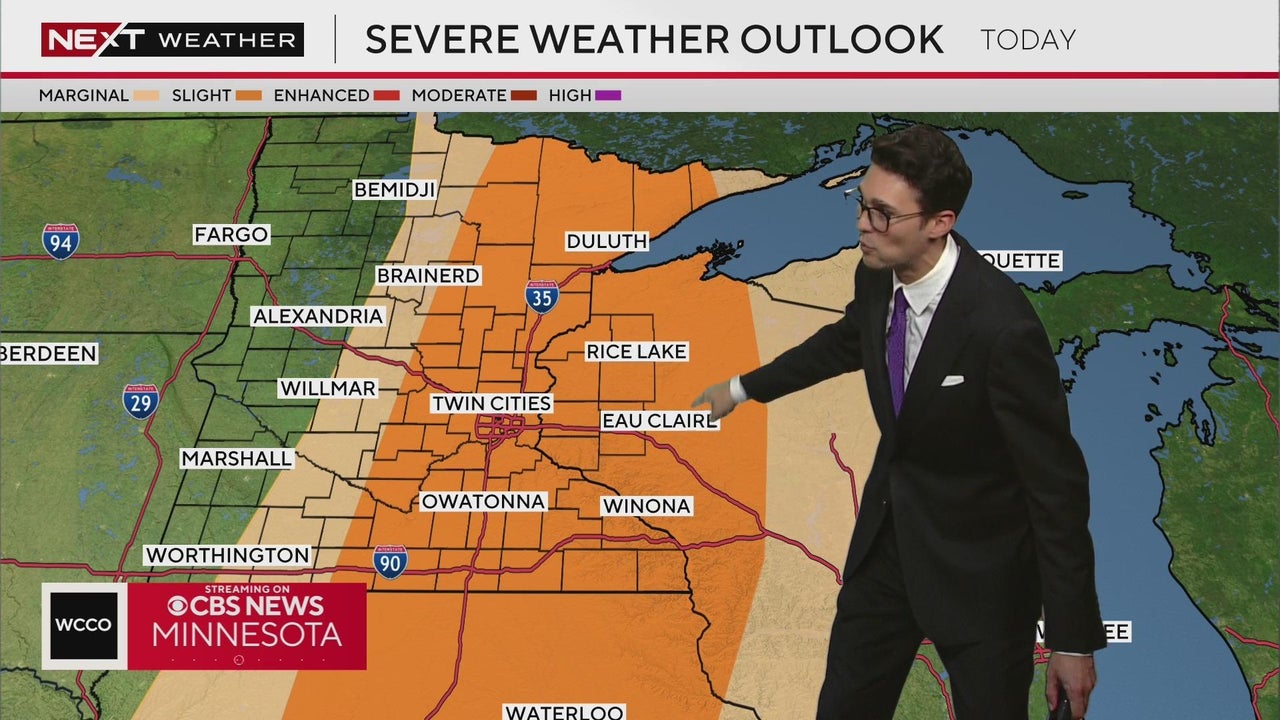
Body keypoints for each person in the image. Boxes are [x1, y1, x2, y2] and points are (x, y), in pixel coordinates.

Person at [692, 124, 1106, 719]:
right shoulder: (876, 273)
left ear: (939, 222)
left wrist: (1071, 639)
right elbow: (848, 341)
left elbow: (1056, 487)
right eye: (862, 204)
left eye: (883, 214)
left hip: (981, 577)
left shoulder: (1001, 329)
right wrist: (741, 388)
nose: (863, 224)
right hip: (888, 549)